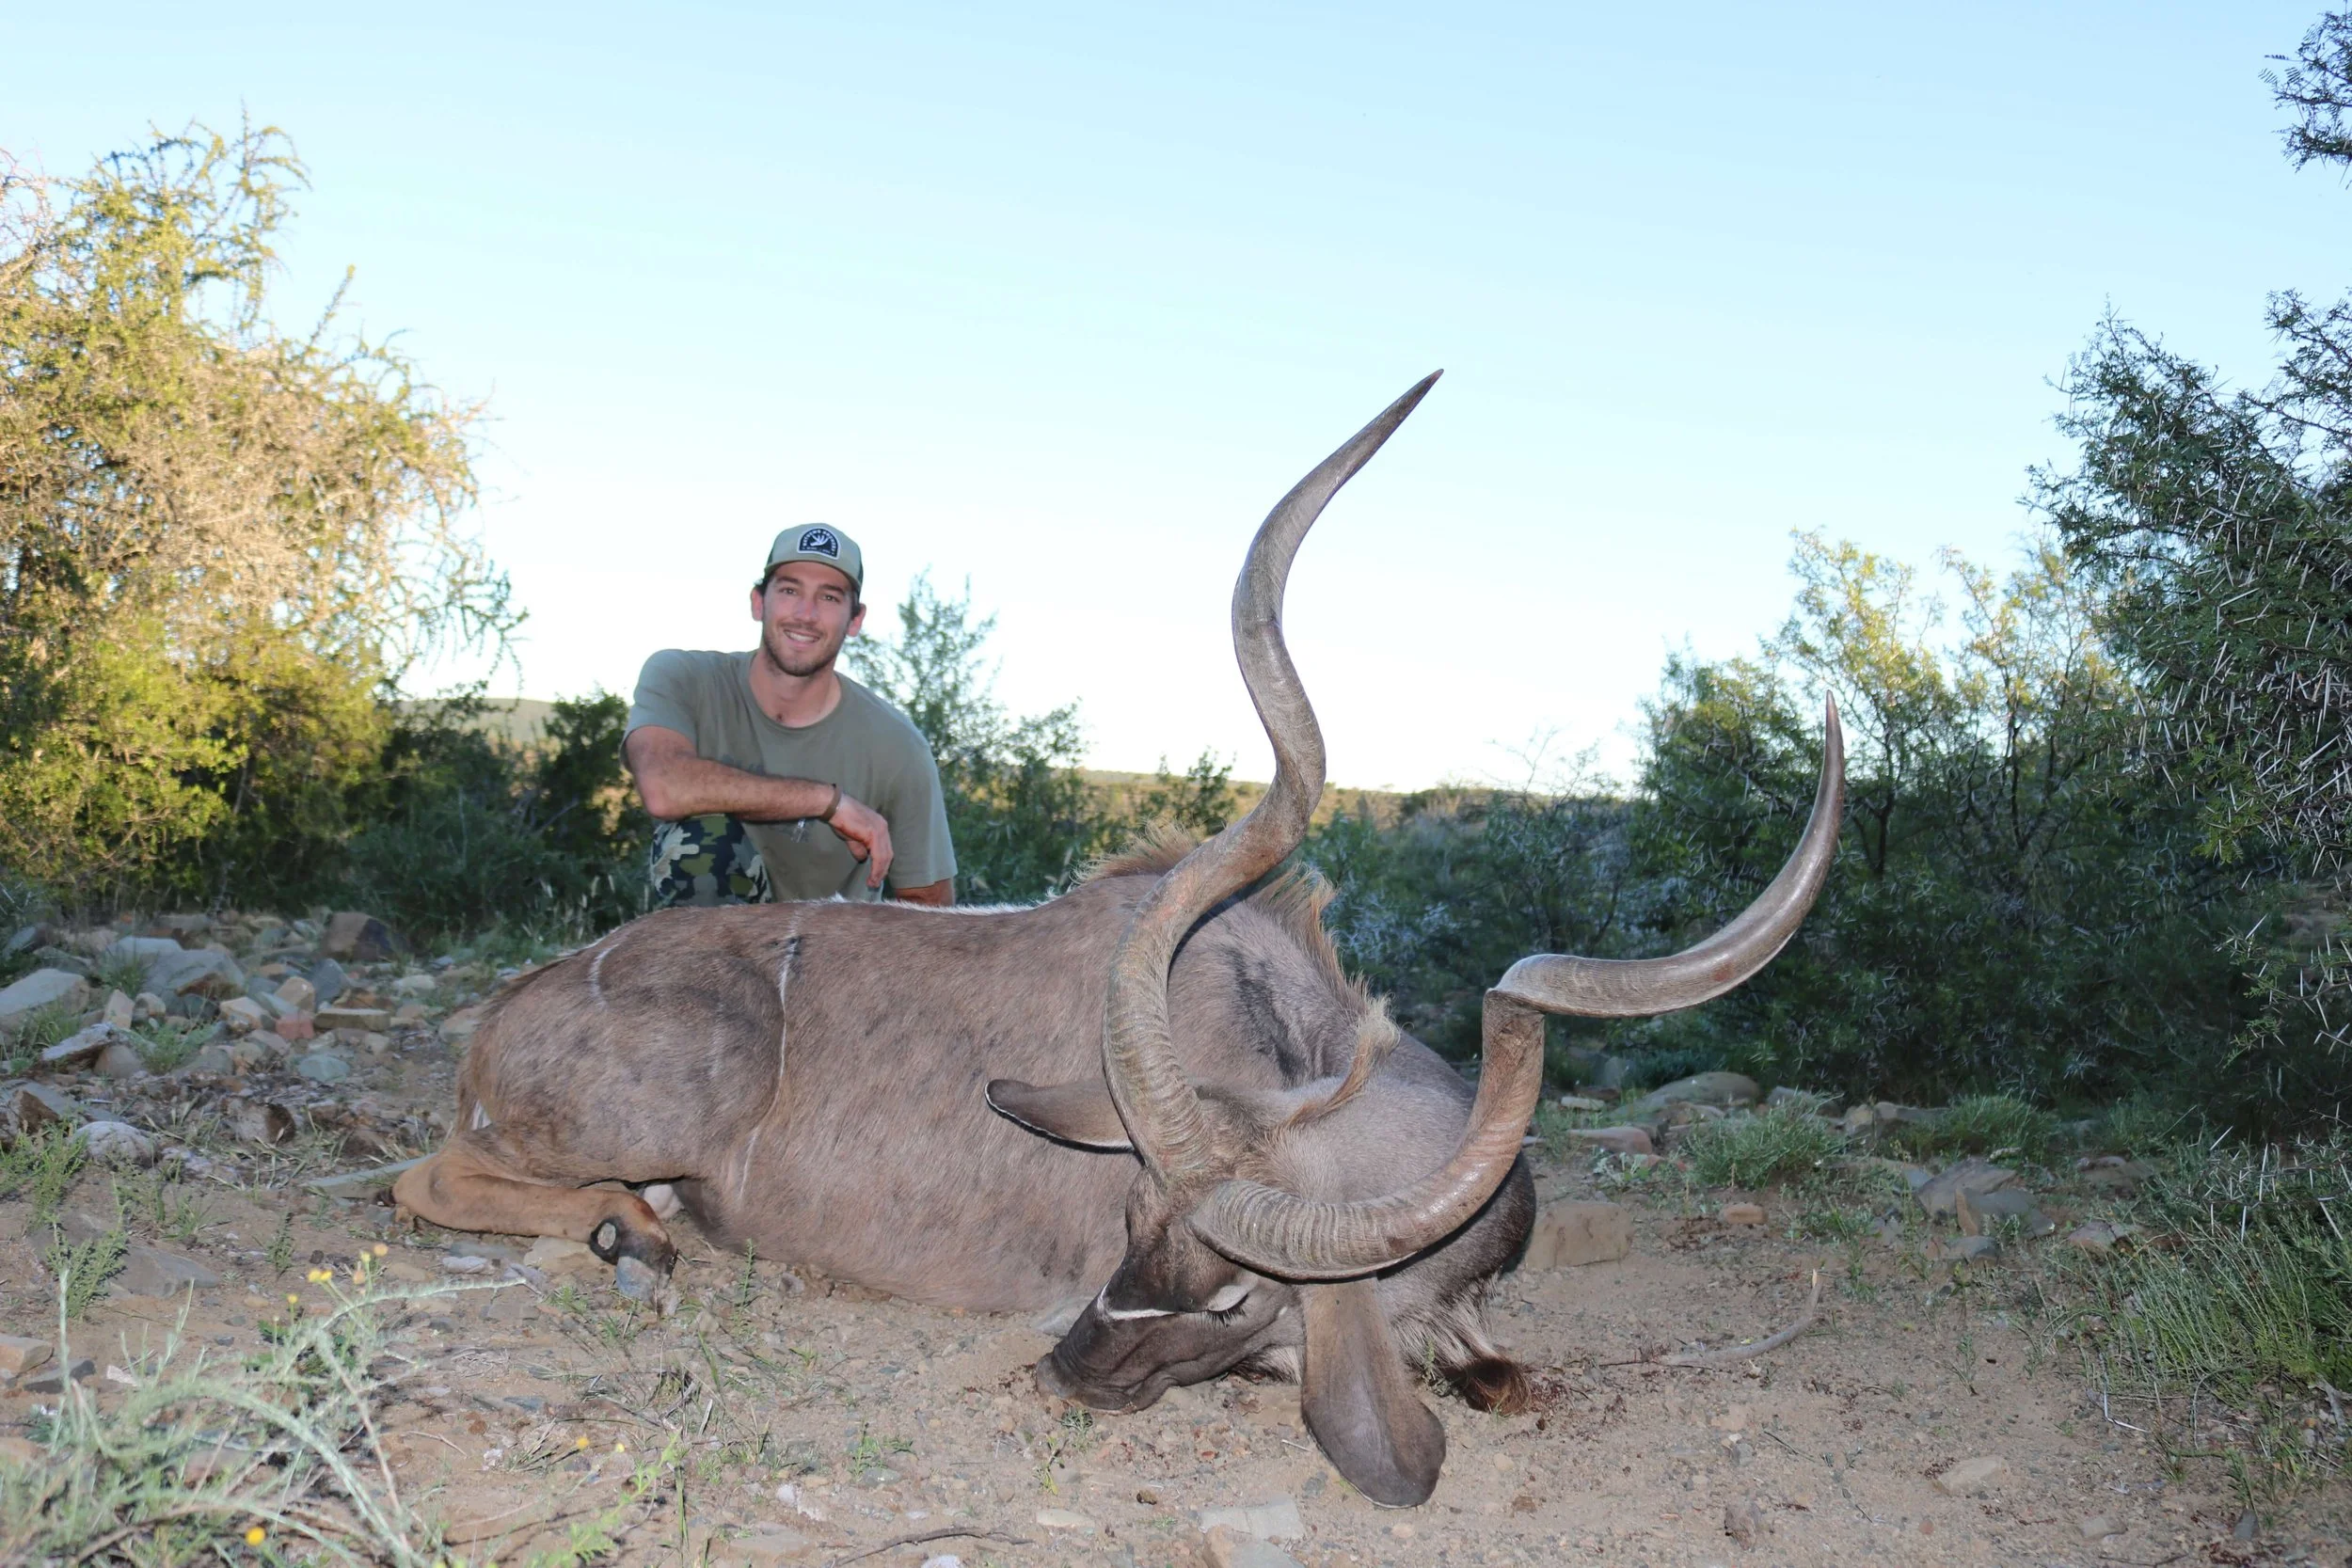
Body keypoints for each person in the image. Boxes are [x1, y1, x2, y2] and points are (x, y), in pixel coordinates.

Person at [623, 524, 957, 907]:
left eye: (829, 597)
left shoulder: (898, 746)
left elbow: (931, 910)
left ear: (855, 620)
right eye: (789, 590)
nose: (806, 614)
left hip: (826, 959)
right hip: (714, 955)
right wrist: (828, 803)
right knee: (703, 839)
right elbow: (663, 787)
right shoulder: (681, 677)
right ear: (758, 602)